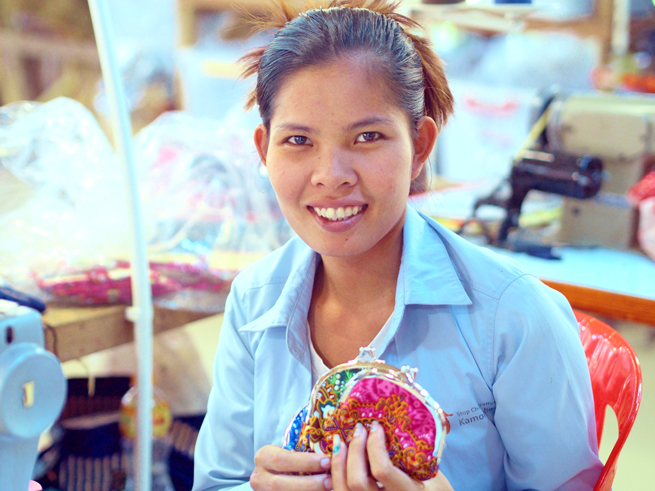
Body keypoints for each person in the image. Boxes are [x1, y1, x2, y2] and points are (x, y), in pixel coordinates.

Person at [192, 1, 604, 490]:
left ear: (420, 147)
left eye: (367, 137)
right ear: (264, 150)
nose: (331, 176)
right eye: (298, 141)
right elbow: (218, 482)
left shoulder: (513, 318)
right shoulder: (254, 301)